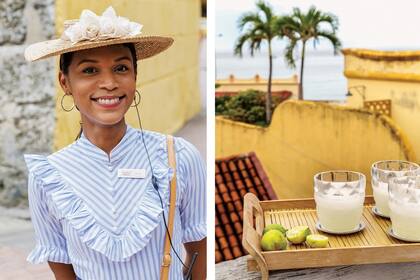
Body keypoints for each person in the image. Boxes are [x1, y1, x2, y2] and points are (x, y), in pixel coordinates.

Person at [23, 6, 206, 280]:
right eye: (89, 70)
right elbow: (61, 265)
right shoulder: (49, 177)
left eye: (121, 68)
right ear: (65, 82)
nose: (109, 83)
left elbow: (198, 250)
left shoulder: (177, 157)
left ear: (135, 76)